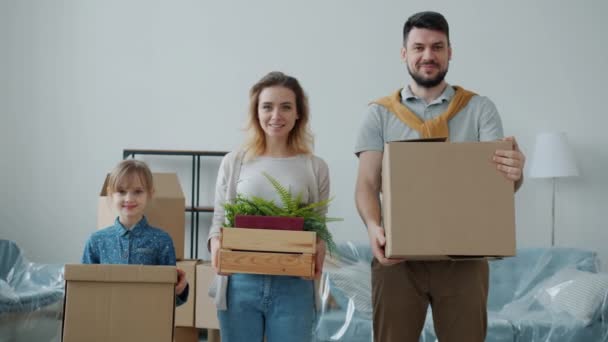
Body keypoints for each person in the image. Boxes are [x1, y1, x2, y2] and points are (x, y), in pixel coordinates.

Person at [354, 11, 525, 342]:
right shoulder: (379, 113)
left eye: (437, 47)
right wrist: (375, 229)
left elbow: (498, 184)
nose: (428, 56)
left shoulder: (480, 109)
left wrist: (515, 173)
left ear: (450, 51)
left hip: (465, 257)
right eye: (418, 47)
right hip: (398, 258)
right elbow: (366, 184)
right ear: (404, 53)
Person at [207, 71, 329, 342]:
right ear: (256, 112)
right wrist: (216, 247)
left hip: (294, 286)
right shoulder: (234, 161)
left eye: (286, 106)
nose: (276, 115)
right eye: (267, 106)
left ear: (299, 113)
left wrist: (320, 248)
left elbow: (318, 228)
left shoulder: (314, 167)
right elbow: (219, 222)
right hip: (241, 283)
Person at [82, 159, 189, 305]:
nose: (129, 198)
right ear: (111, 194)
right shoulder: (96, 241)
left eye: (138, 191)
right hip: (106, 321)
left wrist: (179, 289)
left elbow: (170, 299)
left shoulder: (162, 241)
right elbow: (84, 289)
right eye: (121, 191)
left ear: (150, 194)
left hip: (147, 320)